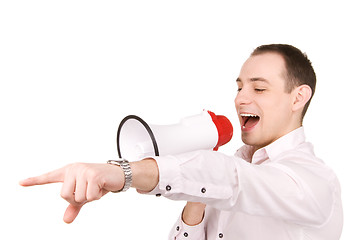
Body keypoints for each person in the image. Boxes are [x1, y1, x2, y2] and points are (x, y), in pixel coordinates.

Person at [20, 44, 343, 239]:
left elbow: (233, 179)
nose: (241, 98)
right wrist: (197, 194)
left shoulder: (313, 181)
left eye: (258, 89)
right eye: (239, 86)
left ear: (299, 97)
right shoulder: (228, 170)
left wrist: (124, 173)